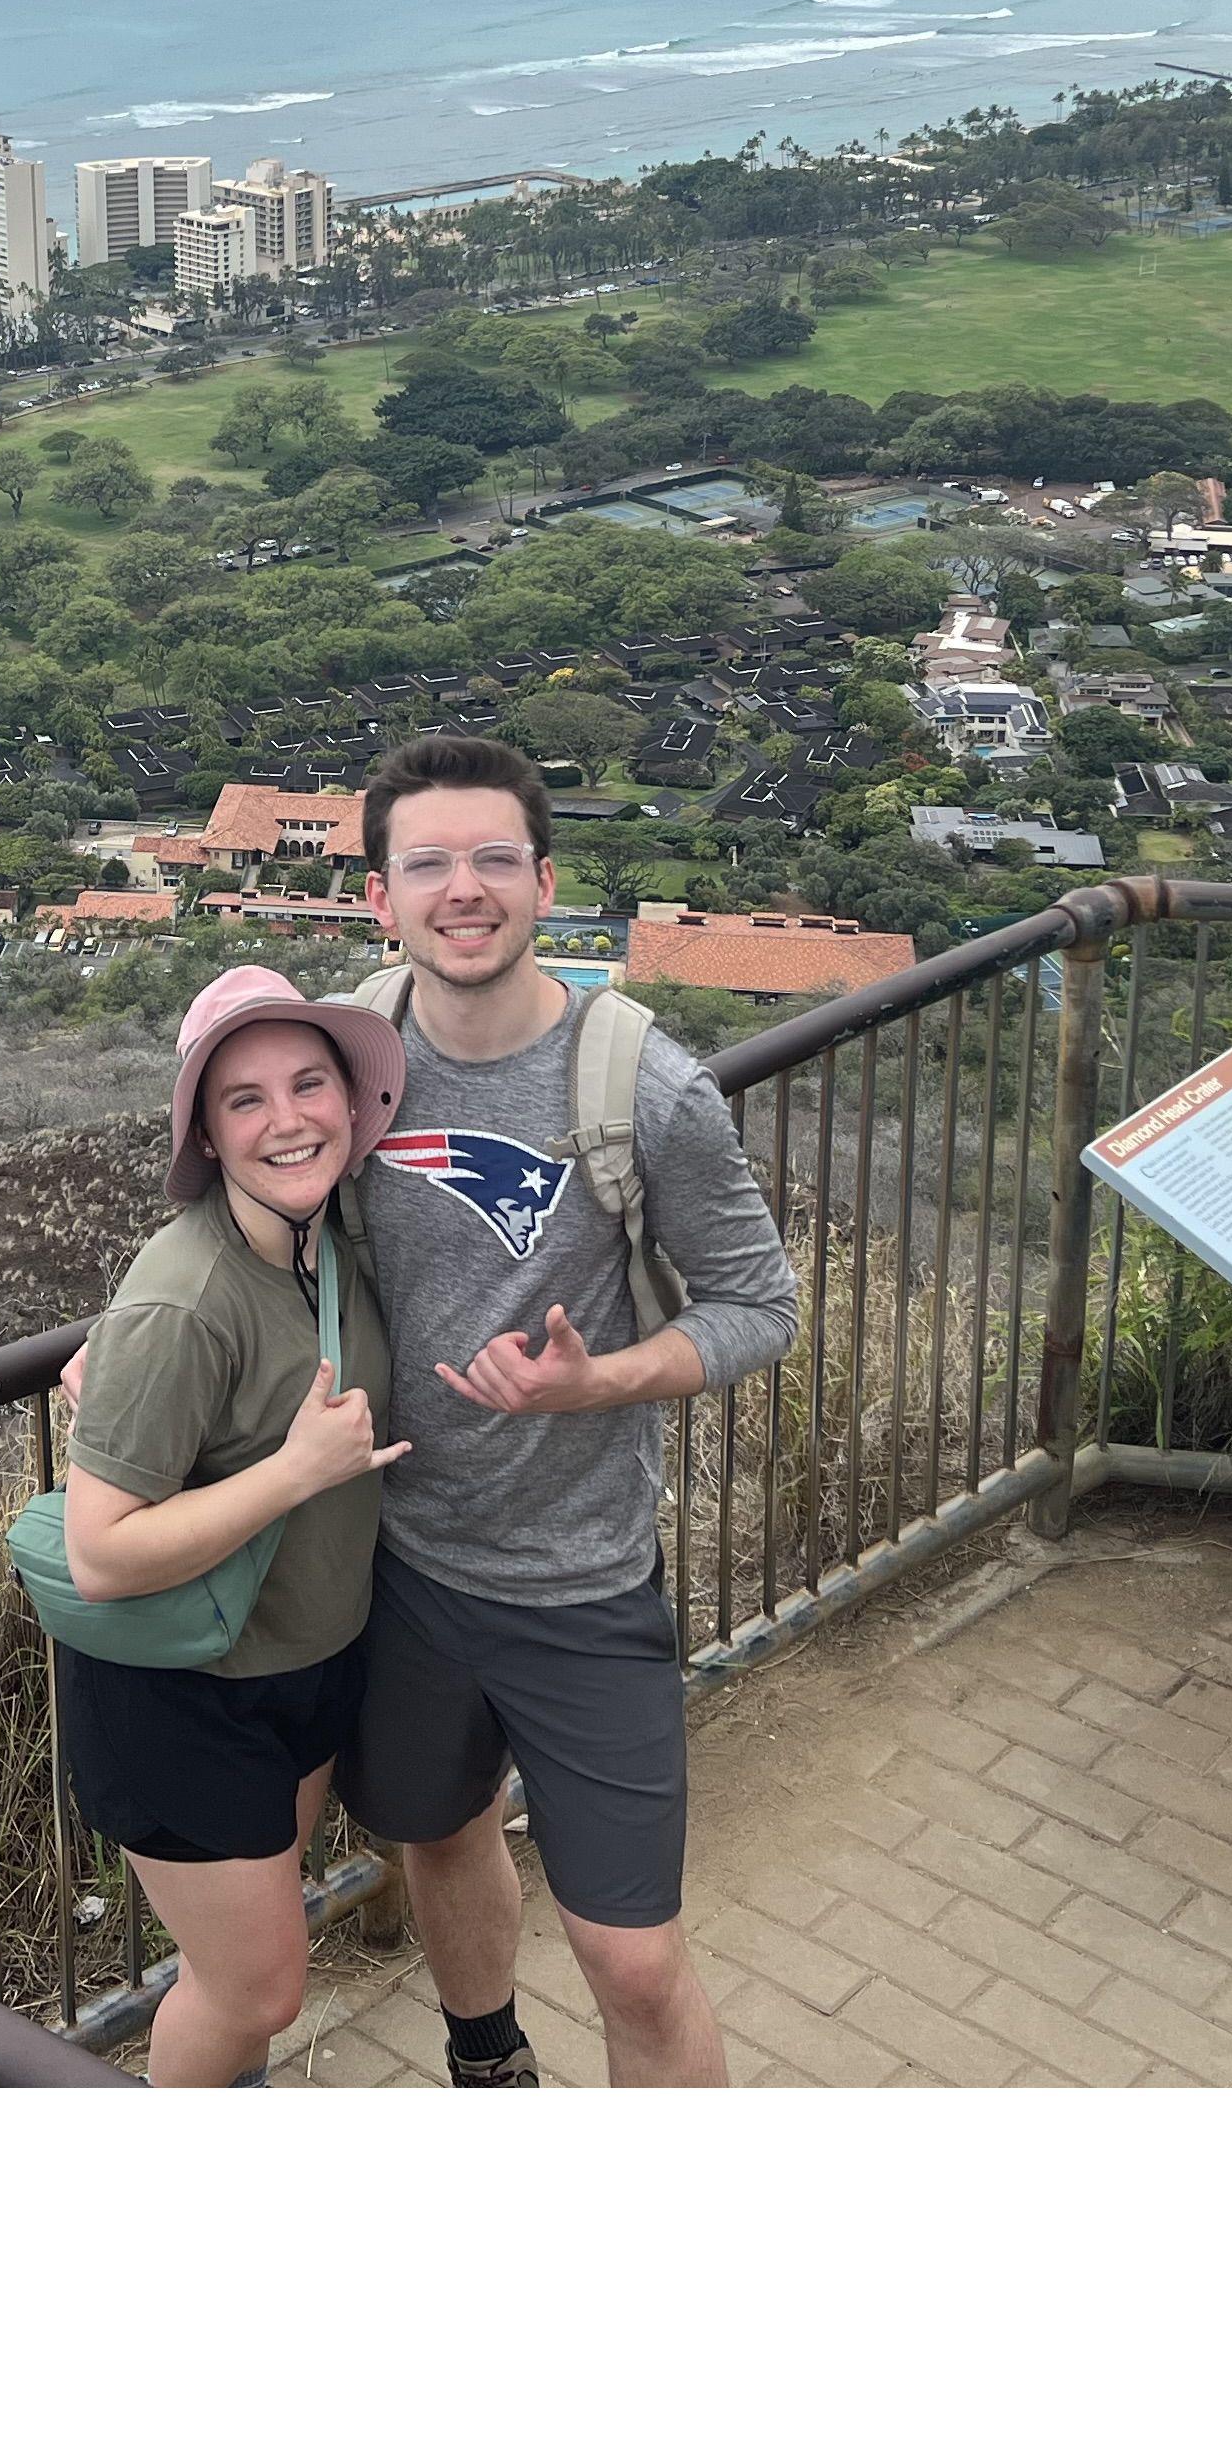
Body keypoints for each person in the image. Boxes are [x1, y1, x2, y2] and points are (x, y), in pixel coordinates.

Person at [336, 732, 798, 2086]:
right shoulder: (347, 1053)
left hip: (583, 1582)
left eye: (494, 859)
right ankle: (488, 2061)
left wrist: (599, 1380)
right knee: (439, 1828)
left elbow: (759, 1306)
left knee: (634, 1959)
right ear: (380, 897)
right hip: (401, 1563)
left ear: (545, 883)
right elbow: (244, 1209)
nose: (463, 889)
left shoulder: (647, 1089)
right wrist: (129, 1348)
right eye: (427, 864)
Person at [49, 963, 412, 2085]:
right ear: (206, 1135)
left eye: (309, 1084)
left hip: (302, 1658)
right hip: (184, 1696)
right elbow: (100, 1554)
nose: (287, 1120)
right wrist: (296, 1472)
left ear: (351, 1100)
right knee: (253, 1987)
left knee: (244, 1973)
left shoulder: (337, 1235)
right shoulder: (186, 1298)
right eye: (244, 1099)